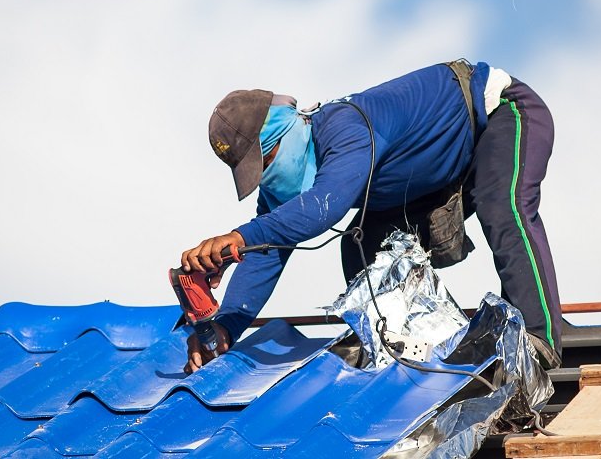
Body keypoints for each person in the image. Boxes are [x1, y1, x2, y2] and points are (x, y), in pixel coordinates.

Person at [181, 60, 562, 373]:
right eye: (255, 174)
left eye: (264, 161)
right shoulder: (285, 186)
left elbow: (322, 207)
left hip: (498, 116)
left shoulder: (344, 127)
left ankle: (537, 336)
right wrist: (225, 325)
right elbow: (267, 247)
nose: (265, 177)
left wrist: (237, 237)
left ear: (285, 131)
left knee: (503, 204)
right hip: (436, 173)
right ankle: (410, 353)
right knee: (361, 249)